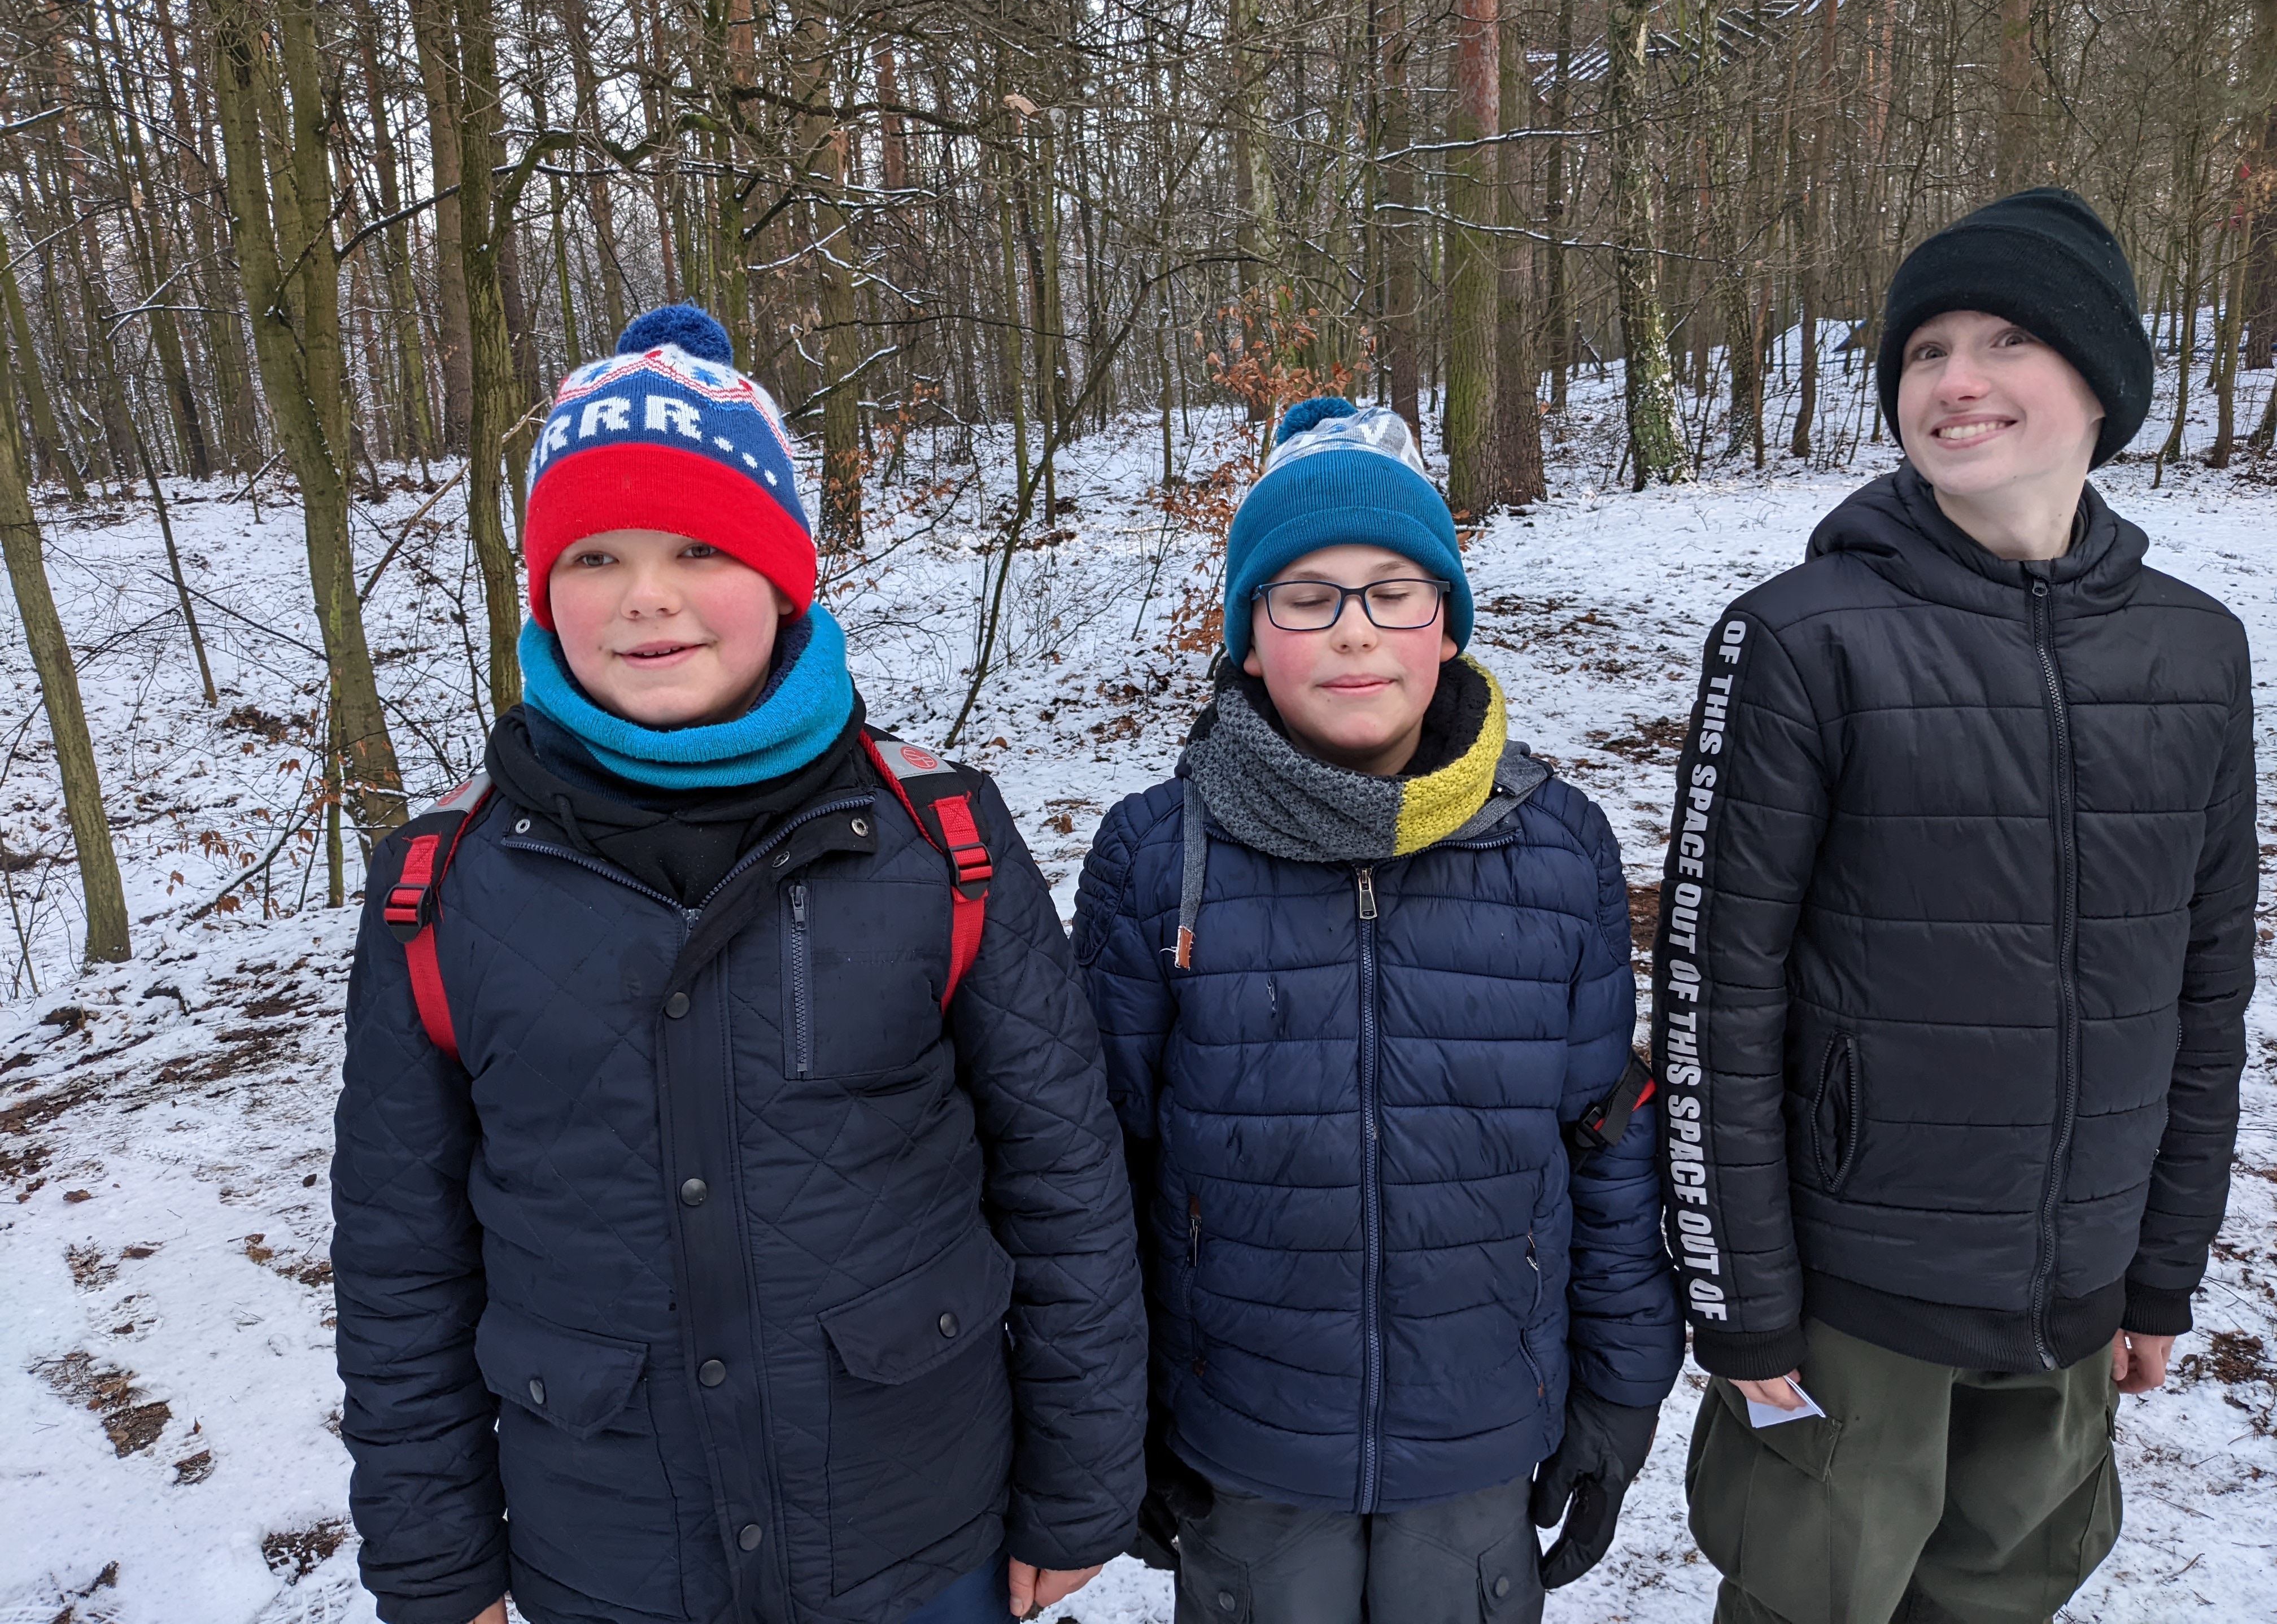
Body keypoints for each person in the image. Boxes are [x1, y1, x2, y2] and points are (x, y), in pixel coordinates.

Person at [333, 305, 1146, 1624]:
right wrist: (434, 1564)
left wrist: (1080, 1484)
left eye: (699, 547)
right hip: (610, 1558)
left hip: (917, 1534)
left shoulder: (940, 839)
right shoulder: (443, 884)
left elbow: (1064, 1182)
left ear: (781, 577)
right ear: (545, 592)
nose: (646, 596)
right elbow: (399, 1257)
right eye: (596, 555)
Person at [1653, 188, 2257, 1623]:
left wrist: (2160, 1271)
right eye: (1926, 351)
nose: (1956, 380)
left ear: (2102, 383)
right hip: (1857, 1301)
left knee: (2004, 1596)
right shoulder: (1800, 641)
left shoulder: (2197, 650)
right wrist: (1739, 1300)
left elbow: (2207, 984)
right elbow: (1711, 995)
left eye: (2005, 342)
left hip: (2074, 1290)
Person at [1075, 398, 1683, 1624]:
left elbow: (1607, 1137)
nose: (1354, 630)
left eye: (1394, 593)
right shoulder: (1154, 854)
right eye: (1307, 597)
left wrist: (1622, 1388)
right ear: (1251, 638)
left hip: (1479, 1433)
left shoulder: (1558, 850)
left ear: (1446, 626)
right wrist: (1106, 1418)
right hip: (1245, 1443)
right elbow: (1100, 1164)